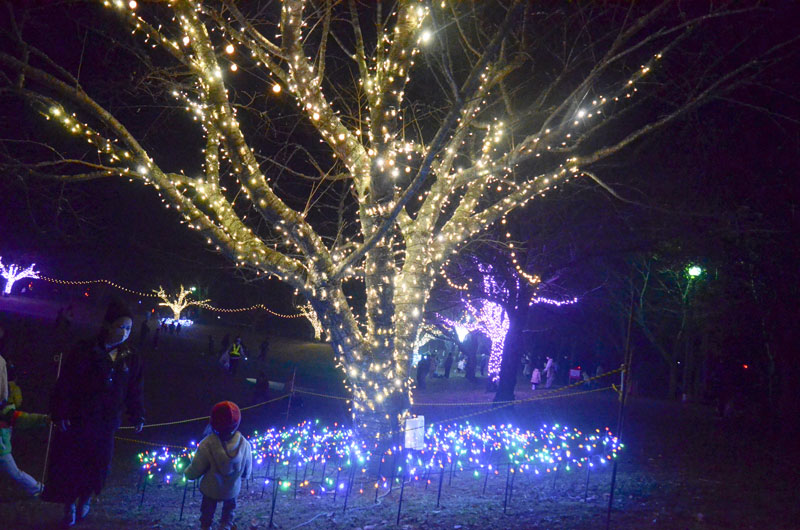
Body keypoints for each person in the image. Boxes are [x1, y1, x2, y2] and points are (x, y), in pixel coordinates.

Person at [42, 297, 145, 528]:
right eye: (121, 327)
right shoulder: (85, 350)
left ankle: (85, 501)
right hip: (80, 419)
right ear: (108, 325)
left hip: (106, 423)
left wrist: (137, 413)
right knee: (73, 464)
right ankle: (68, 504)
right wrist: (61, 411)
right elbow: (66, 383)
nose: (125, 332)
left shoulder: (131, 357)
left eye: (129, 328)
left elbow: (134, 388)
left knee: (97, 465)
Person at [184, 401, 252, 530]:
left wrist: (188, 474)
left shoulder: (207, 444)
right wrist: (244, 475)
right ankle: (226, 524)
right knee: (230, 507)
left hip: (211, 488)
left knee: (207, 509)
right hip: (231, 488)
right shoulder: (244, 444)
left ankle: (206, 525)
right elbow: (247, 469)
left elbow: (197, 466)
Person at [0, 354, 49, 497]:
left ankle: (38, 489)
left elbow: (21, 419)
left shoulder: (4, 409)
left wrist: (43, 419)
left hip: (1, 449)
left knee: (15, 473)